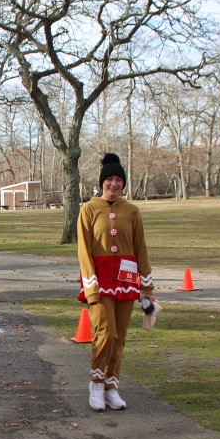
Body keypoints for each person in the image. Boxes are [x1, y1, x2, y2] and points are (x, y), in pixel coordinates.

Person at [77, 153, 155, 412]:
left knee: (119, 337)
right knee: (105, 333)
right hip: (99, 282)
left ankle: (112, 386)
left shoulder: (132, 211)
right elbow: (83, 250)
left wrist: (147, 287)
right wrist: (90, 285)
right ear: (102, 182)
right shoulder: (88, 209)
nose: (113, 183)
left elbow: (140, 248)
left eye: (118, 179)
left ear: (123, 183)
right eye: (109, 179)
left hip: (126, 281)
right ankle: (96, 383)